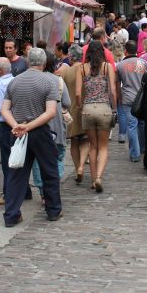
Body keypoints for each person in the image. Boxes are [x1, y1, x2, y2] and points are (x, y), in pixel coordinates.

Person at [1, 48, 62, 227]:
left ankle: (11, 214)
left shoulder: (14, 82)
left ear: (28, 62)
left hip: (18, 132)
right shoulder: (50, 81)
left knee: (16, 174)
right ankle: (53, 210)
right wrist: (28, 126)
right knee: (49, 171)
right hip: (40, 131)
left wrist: (16, 126)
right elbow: (51, 112)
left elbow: (4, 109)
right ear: (43, 63)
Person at [76, 40, 117, 193]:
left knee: (92, 146)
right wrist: (114, 108)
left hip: (88, 109)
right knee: (103, 146)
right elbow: (113, 90)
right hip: (104, 108)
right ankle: (99, 176)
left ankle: (93, 180)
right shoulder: (107, 67)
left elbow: (78, 93)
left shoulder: (81, 68)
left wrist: (81, 106)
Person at [31, 51, 71, 201]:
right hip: (57, 125)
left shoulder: (34, 80)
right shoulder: (58, 81)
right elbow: (67, 103)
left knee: (37, 158)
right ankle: (54, 186)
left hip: (37, 124)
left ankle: (42, 190)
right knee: (58, 156)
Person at [61, 44, 89, 184]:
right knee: (85, 140)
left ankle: (77, 167)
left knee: (74, 142)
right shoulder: (87, 70)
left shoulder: (67, 72)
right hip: (85, 109)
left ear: (70, 57)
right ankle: (82, 167)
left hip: (72, 110)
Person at [116, 41, 147, 161]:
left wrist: (119, 98)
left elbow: (117, 84)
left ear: (126, 51)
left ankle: (135, 154)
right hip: (142, 97)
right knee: (142, 124)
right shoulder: (143, 63)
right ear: (136, 50)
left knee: (132, 125)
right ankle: (143, 147)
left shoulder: (120, 65)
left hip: (128, 98)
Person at [0, 57, 14, 206]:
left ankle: (8, 193)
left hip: (7, 125)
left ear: (0, 69)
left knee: (7, 161)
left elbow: (0, 109)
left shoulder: (0, 85)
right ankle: (23, 190)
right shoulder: (15, 80)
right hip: (16, 122)